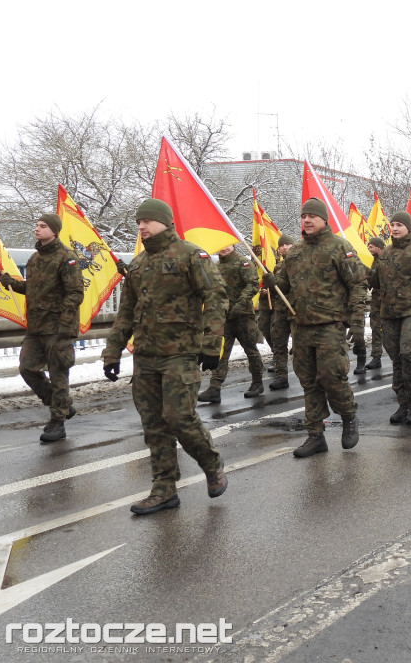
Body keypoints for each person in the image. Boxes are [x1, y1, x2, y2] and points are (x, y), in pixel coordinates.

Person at [102, 198, 228, 515]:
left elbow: (214, 296)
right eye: (138, 222)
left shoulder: (189, 254)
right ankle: (164, 489)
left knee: (179, 417)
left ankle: (211, 463)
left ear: (165, 222)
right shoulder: (139, 264)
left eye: (146, 221)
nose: (141, 227)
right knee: (154, 425)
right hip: (145, 355)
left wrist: (212, 343)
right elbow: (125, 313)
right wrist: (112, 351)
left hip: (181, 353)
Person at [263, 197, 368, 456]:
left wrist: (356, 323)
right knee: (309, 382)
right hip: (302, 328)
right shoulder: (295, 252)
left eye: (312, 216)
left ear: (323, 219)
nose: (306, 220)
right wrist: (272, 281)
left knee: (332, 377)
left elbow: (357, 286)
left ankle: (348, 416)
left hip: (330, 326)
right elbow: (285, 287)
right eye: (303, 216)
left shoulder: (339, 247)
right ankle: (315, 435)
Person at [0, 213, 83, 443]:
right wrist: (12, 284)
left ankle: (58, 423)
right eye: (36, 225)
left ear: (54, 231)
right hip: (36, 328)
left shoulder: (67, 257)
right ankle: (63, 405)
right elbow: (34, 289)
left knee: (58, 375)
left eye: (42, 226)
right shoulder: (35, 259)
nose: (37, 229)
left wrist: (65, 324)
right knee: (27, 369)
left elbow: (75, 293)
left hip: (58, 328)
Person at [368, 210, 411, 423]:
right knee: (396, 359)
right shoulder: (385, 254)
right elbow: (375, 284)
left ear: (409, 228)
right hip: (390, 315)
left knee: (408, 355)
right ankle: (402, 402)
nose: (395, 228)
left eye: (400, 225)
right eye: (393, 224)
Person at [197, 244, 265, 403]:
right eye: (220, 246)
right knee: (221, 352)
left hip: (243, 316)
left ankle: (257, 382)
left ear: (232, 245)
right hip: (223, 316)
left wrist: (240, 304)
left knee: (250, 350)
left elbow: (253, 284)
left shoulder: (243, 263)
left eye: (227, 246)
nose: (223, 248)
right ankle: (215, 388)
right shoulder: (216, 266)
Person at [262, 234, 295, 389]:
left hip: (296, 310)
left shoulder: (301, 264)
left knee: (302, 346)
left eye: (287, 244)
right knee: (278, 344)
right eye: (282, 245)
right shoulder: (278, 267)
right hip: (281, 310)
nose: (284, 247)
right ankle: (281, 376)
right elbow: (278, 289)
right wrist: (269, 287)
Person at [363, 236, 386, 371]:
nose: (369, 248)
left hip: (389, 301)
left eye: (371, 246)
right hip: (377, 301)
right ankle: (376, 357)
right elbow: (373, 282)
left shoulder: (386, 260)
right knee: (375, 327)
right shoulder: (375, 261)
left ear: (379, 247)